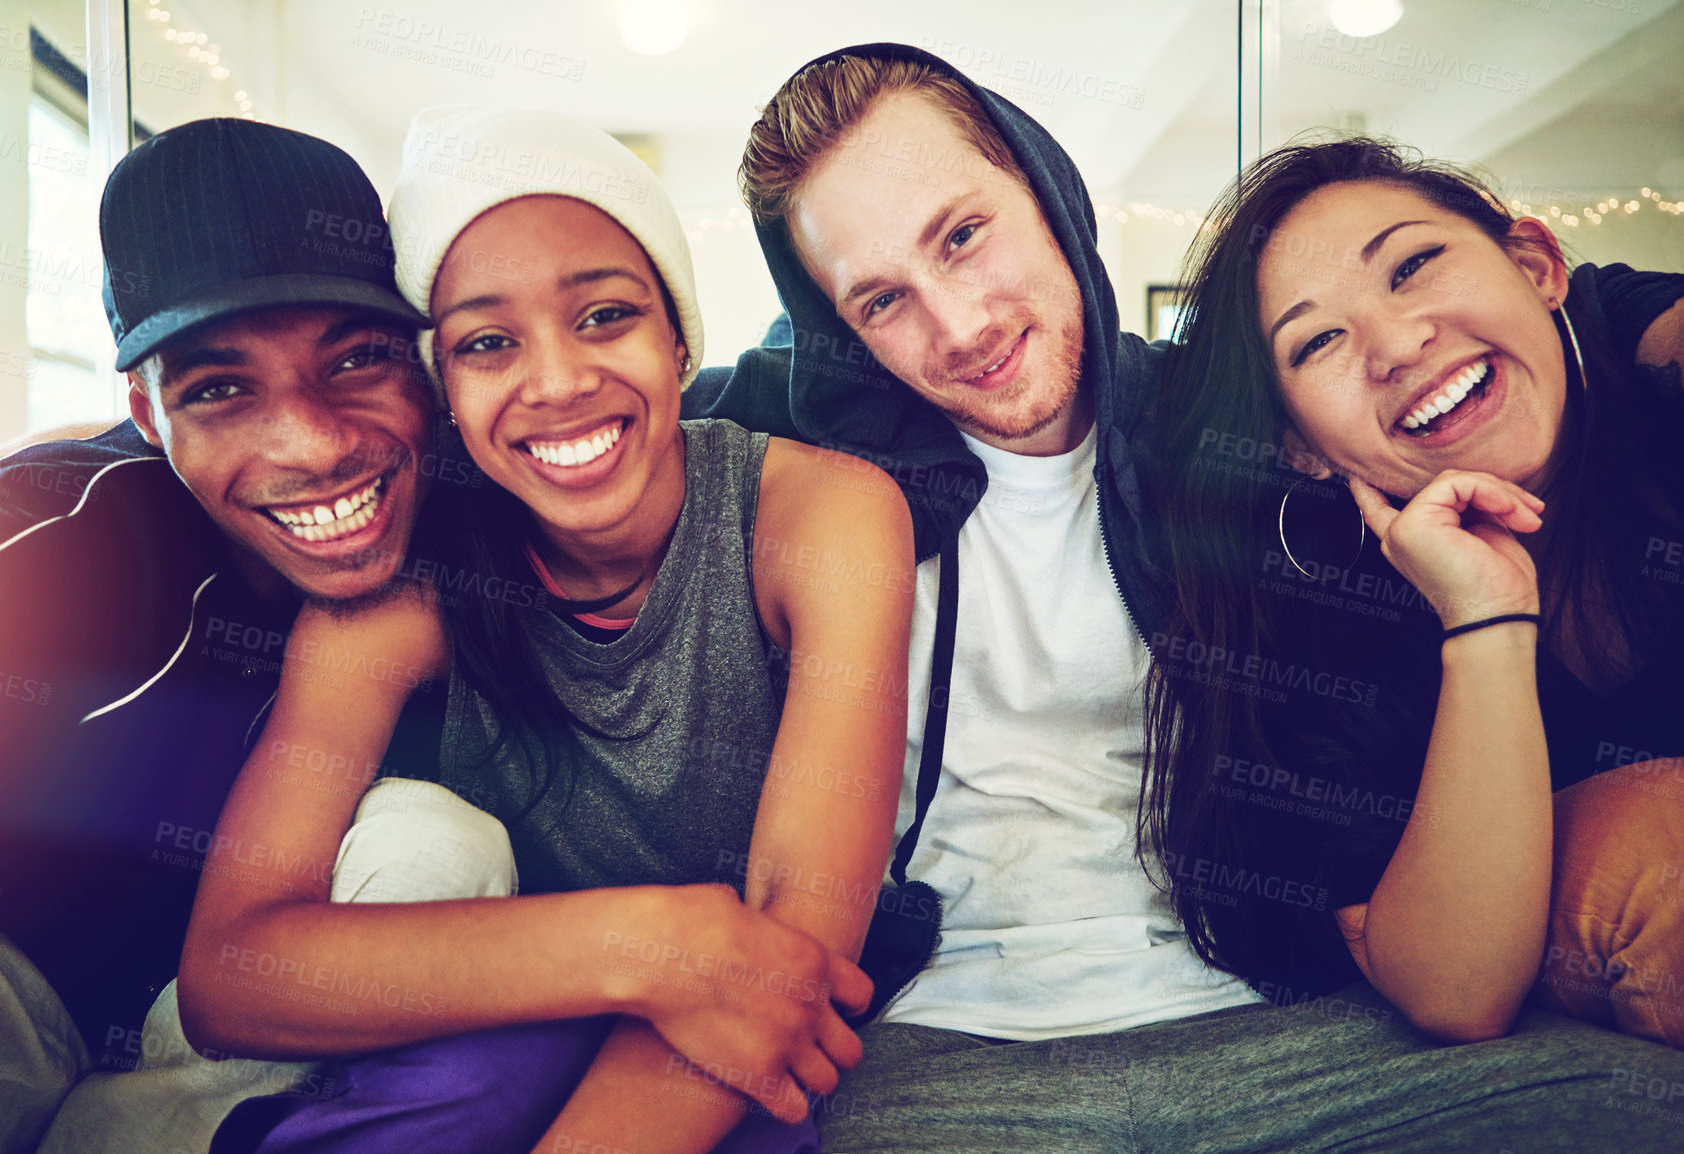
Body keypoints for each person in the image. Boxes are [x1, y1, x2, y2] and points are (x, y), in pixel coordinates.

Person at [684, 42, 1684, 1150]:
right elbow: (555, 427)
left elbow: (1536, 310)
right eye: (883, 300)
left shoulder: (1248, 424)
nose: (959, 325)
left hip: (1294, 1021)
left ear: (1046, 189)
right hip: (946, 1045)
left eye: (964, 236)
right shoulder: (783, 453)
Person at [173, 106, 914, 1154]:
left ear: (676, 333)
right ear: (445, 391)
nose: (558, 381)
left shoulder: (820, 516)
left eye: (606, 315)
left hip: (742, 1046)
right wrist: (651, 939)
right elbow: (231, 972)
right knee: (477, 1071)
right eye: (485, 341)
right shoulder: (406, 587)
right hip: (537, 1023)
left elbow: (791, 956)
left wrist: (682, 966)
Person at [0, 117, 441, 1153]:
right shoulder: (77, 551)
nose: (312, 444)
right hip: (1, 999)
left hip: (189, 1061)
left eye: (357, 359)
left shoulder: (491, 519)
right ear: (145, 411)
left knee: (436, 848)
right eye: (220, 389)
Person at [1142, 138, 1684, 1047]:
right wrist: (1486, 618)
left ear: (1537, 268)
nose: (1395, 345)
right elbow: (1454, 988)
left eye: (1414, 265)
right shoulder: (1314, 628)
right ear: (1301, 448)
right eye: (1316, 341)